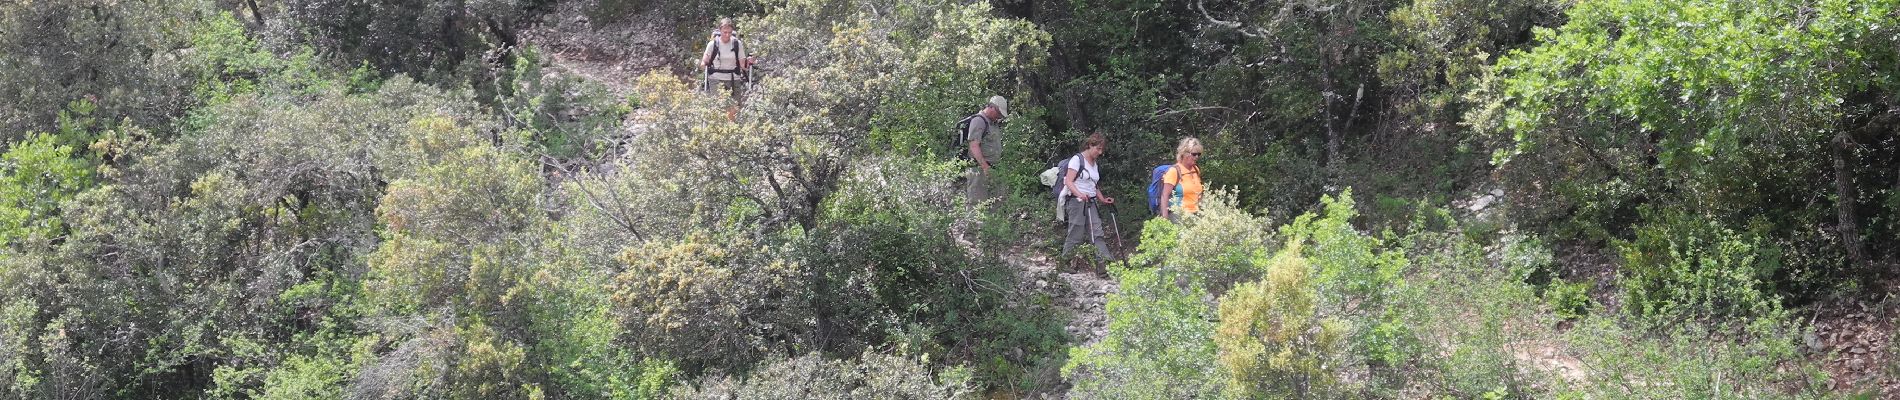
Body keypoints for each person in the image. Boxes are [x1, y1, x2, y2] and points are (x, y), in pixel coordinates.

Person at [1060, 133, 1114, 272]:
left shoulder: (1094, 164)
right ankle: (1065, 262)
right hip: (1076, 202)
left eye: (1102, 149)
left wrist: (1102, 199)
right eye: (1098, 148)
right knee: (1076, 232)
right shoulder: (1077, 160)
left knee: (1097, 232)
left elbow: (1093, 185)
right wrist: (1079, 194)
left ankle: (1104, 265)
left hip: (1091, 202)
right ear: (1090, 145)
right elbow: (1069, 181)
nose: (1100, 152)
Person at [964, 95, 1008, 204]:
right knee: (977, 203)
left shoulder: (993, 123)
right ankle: (974, 222)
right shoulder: (979, 121)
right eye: (998, 113)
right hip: (978, 170)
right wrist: (985, 166)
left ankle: (995, 221)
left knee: (997, 201)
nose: (999, 117)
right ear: (992, 108)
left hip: (992, 168)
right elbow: (974, 146)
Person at [700, 18, 751, 100]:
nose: (727, 35)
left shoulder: (737, 44)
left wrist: (749, 62)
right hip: (716, 79)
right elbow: (704, 62)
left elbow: (743, 65)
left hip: (734, 79)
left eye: (730, 32)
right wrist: (703, 63)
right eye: (725, 32)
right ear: (720, 31)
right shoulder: (712, 44)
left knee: (734, 108)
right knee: (719, 106)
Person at [1158, 137, 1204, 222]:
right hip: (1179, 215)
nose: (1197, 157)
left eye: (1199, 154)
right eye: (1194, 154)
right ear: (1184, 153)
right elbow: (1165, 196)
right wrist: (1165, 219)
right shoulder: (1174, 171)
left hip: (1196, 214)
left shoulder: (1196, 169)